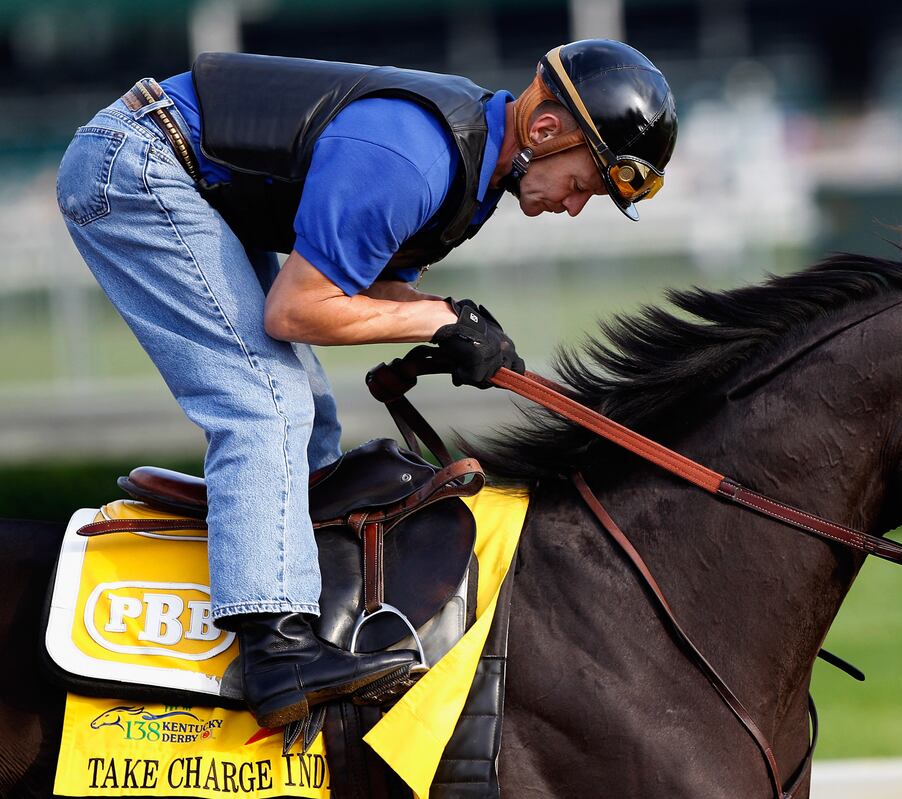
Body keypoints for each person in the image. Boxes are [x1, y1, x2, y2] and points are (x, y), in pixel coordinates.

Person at [55, 39, 677, 728]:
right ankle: (275, 652)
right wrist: (436, 318)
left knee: (314, 416)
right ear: (546, 130)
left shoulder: (469, 180)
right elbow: (295, 310)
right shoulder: (417, 159)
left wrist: (449, 323)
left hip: (196, 180)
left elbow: (357, 289)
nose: (576, 204)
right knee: (264, 403)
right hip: (136, 161)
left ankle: (319, 615)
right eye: (585, 183)